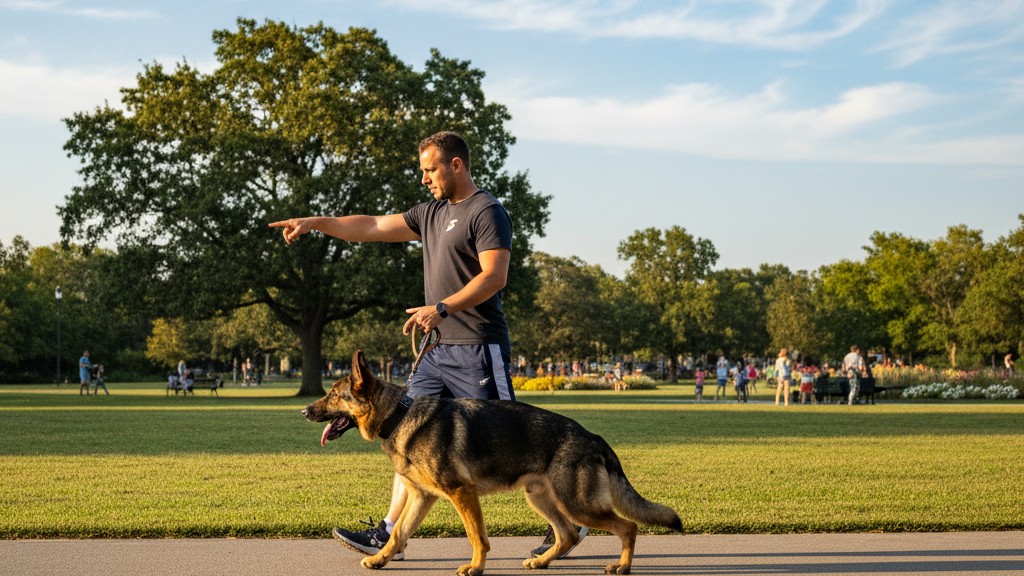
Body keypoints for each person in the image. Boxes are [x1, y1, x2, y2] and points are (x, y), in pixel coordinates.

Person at [269, 132, 587, 561]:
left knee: (520, 440)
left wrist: (442, 307)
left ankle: (570, 521)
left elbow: (495, 276)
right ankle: (389, 535)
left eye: (430, 169)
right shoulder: (430, 213)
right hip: (436, 352)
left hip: (477, 345)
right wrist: (315, 223)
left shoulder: (487, 211)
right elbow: (371, 225)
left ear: (457, 165)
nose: (424, 179)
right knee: (406, 440)